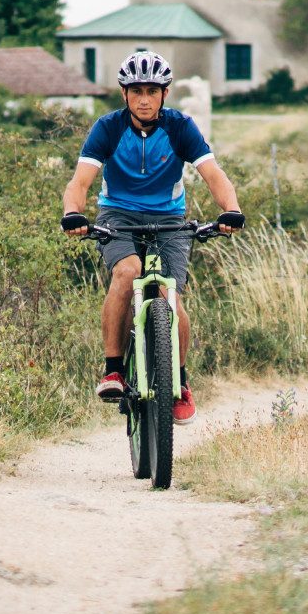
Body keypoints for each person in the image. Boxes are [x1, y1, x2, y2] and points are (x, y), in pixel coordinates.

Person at [60, 49, 242, 422]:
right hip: (118, 216)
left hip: (169, 218)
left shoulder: (180, 127)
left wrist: (231, 210)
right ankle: (113, 369)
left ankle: (178, 382)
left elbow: (213, 174)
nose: (145, 99)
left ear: (165, 94)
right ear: (124, 94)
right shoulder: (108, 128)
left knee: (169, 295)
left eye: (153, 91)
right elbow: (79, 182)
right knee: (126, 273)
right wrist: (72, 214)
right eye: (137, 90)